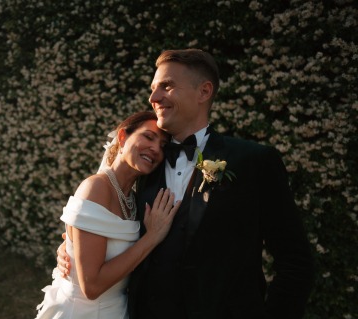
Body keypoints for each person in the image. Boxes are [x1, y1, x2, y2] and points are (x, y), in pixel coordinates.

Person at [57, 49, 314, 318]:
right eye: (153, 88)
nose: (153, 98)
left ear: (204, 92)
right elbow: (102, 226)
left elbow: (295, 261)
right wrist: (68, 249)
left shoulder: (254, 162)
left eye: (166, 86)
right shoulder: (143, 166)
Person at [35, 111, 182, 319]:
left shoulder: (133, 199)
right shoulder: (96, 188)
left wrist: (68, 246)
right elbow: (92, 287)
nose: (156, 149)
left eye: (163, 145)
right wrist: (152, 237)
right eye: (148, 137)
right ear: (122, 137)